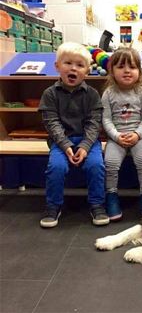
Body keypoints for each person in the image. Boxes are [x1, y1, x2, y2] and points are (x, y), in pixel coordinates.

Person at [39, 42, 109, 228]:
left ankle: (97, 204)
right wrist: (66, 146)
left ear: (87, 70)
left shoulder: (92, 94)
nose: (73, 68)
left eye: (79, 65)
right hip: (60, 142)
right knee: (56, 167)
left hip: (89, 141)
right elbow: (51, 123)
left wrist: (85, 147)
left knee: (96, 165)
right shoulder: (50, 94)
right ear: (57, 66)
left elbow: (94, 124)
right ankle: (53, 206)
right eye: (68, 63)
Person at [102, 47, 142, 219]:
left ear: (139, 71)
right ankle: (111, 196)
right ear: (112, 71)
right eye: (121, 66)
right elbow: (106, 119)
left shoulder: (141, 92)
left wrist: (138, 134)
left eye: (132, 67)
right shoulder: (108, 94)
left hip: (139, 137)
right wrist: (116, 136)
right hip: (116, 138)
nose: (127, 71)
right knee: (110, 162)